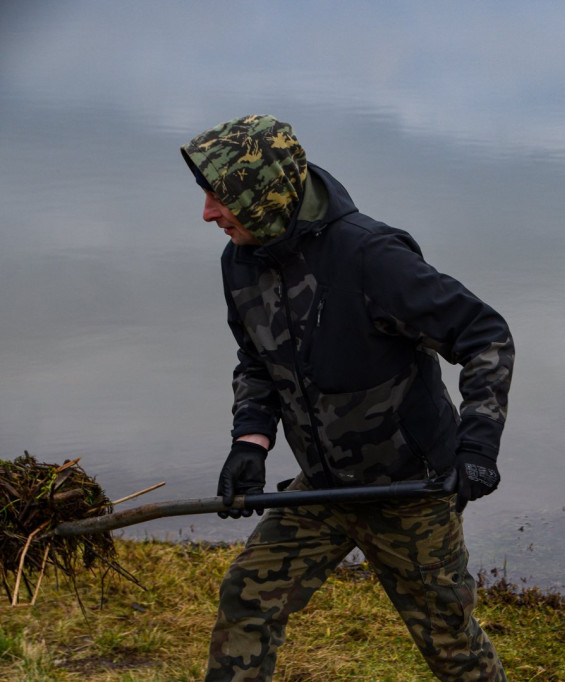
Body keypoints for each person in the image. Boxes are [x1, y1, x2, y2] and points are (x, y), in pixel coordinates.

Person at [180, 114, 513, 681]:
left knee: (452, 645)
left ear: (261, 193)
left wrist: (477, 447)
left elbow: (485, 337)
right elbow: (257, 359)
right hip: (322, 487)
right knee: (247, 598)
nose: (208, 212)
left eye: (220, 196)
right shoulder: (241, 259)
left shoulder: (372, 257)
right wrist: (251, 442)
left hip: (409, 489)